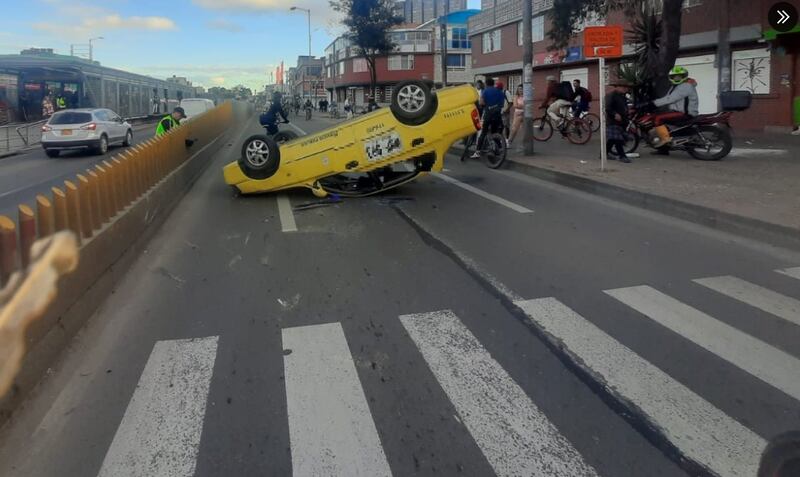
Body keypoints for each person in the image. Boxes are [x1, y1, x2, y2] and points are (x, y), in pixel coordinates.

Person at [649, 65, 699, 149]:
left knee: (658, 118)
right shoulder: (677, 86)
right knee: (660, 116)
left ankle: (664, 141)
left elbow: (670, 99)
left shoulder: (685, 86)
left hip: (684, 113)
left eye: (679, 76)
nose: (677, 79)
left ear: (684, 76)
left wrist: (653, 103)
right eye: (674, 77)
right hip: (678, 111)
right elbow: (668, 98)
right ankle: (664, 148)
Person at [471, 78, 505, 159]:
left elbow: (481, 103)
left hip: (488, 115)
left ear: (486, 84)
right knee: (495, 132)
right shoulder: (500, 92)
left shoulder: (485, 91)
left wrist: (484, 106)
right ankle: (499, 149)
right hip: (497, 115)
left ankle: (478, 152)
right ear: (493, 84)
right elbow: (502, 105)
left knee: (483, 132)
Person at [606, 80, 632, 163]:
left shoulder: (622, 96)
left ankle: (603, 154)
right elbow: (608, 108)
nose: (625, 88)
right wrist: (615, 114)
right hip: (613, 121)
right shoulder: (611, 95)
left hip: (622, 121)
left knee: (612, 140)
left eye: (626, 87)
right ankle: (622, 156)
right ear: (617, 87)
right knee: (618, 139)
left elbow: (624, 106)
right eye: (623, 87)